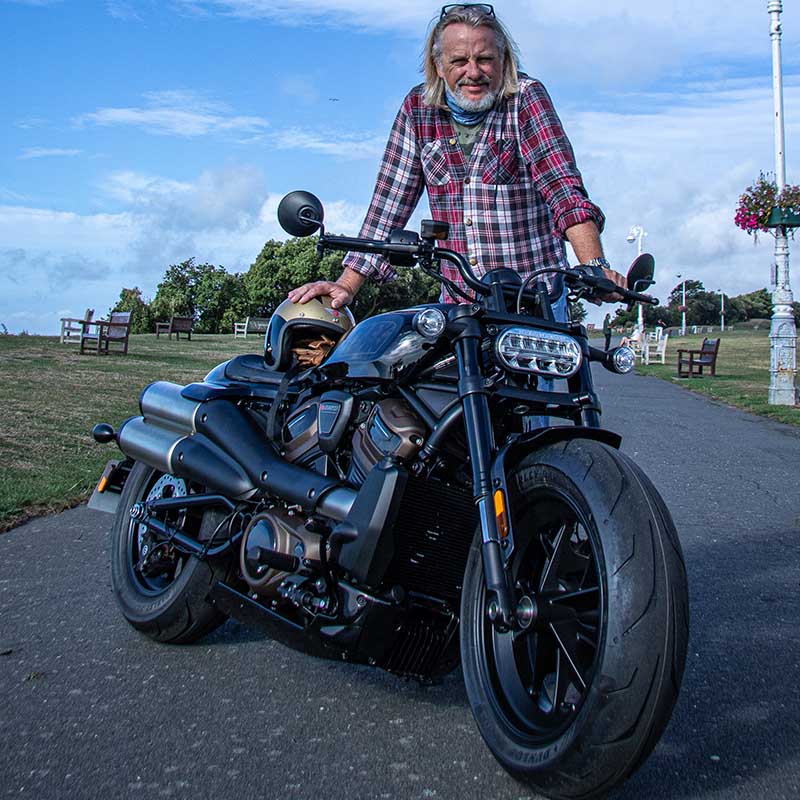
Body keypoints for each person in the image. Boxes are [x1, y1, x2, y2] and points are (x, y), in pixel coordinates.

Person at [289, 3, 625, 319]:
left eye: (485, 59)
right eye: (459, 61)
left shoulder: (525, 98)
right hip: (460, 303)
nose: (473, 72)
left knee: (549, 378)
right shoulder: (418, 109)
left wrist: (594, 266)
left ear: (504, 59)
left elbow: (563, 188)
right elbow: (389, 203)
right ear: (439, 66)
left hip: (533, 299)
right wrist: (347, 285)